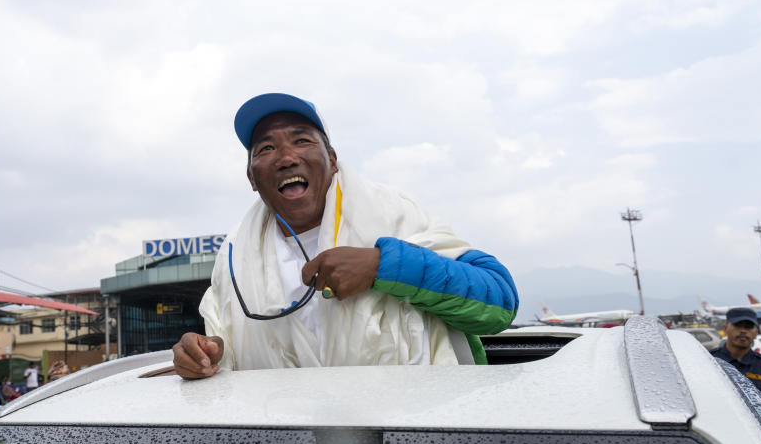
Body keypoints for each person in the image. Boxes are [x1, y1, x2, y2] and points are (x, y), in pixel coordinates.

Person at [173, 93, 518, 379]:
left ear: (333, 160)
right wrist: (206, 356)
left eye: (302, 140)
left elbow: (499, 303)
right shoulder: (234, 256)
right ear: (251, 177)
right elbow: (226, 346)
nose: (286, 157)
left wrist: (382, 267)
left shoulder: (395, 215)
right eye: (265, 149)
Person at [710, 307, 761, 423]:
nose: (743, 331)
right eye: (738, 325)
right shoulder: (709, 360)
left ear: (756, 333)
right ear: (725, 329)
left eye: (748, 327)